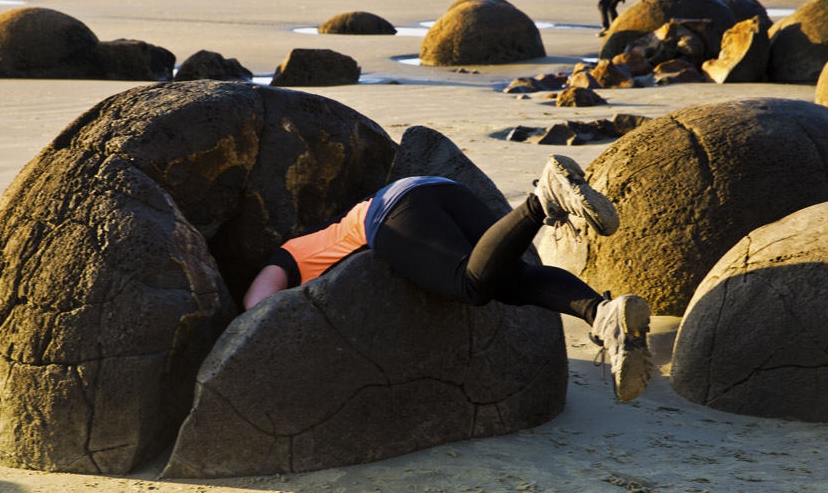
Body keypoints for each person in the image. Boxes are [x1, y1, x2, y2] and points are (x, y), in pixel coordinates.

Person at [244, 155, 654, 403]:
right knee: (510, 281)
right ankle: (603, 314)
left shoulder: (289, 256)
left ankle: (539, 201)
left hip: (391, 213)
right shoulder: (322, 240)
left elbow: (257, 312)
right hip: (439, 190)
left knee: (469, 286)